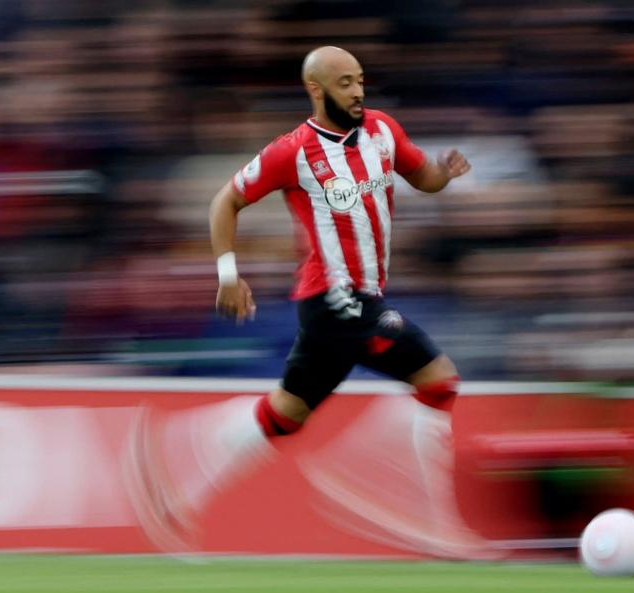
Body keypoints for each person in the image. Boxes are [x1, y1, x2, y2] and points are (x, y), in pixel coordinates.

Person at [125, 46, 495, 559]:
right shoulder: (292, 152)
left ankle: (177, 478)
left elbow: (421, 178)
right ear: (316, 90)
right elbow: (224, 201)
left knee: (285, 415)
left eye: (360, 79)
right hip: (335, 299)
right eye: (345, 83)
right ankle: (400, 499)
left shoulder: (383, 131)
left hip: (352, 302)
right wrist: (228, 275)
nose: (358, 91)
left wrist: (444, 173)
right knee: (438, 379)